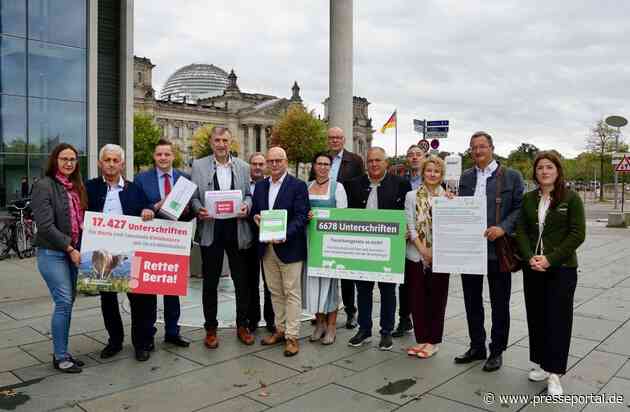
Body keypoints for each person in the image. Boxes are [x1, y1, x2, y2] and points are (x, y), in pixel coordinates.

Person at [516, 151, 585, 396]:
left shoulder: (571, 198)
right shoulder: (528, 199)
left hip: (561, 269)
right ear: (535, 173)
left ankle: (555, 373)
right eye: (540, 168)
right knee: (536, 316)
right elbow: (521, 230)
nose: (544, 171)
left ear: (557, 170)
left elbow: (577, 234)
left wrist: (550, 259)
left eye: (549, 167)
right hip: (533, 268)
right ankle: (542, 364)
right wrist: (529, 257)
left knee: (558, 319)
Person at [455, 131, 524, 372]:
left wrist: (502, 228)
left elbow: (519, 208)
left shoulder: (512, 176)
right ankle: (477, 346)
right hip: (469, 250)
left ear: (491, 148)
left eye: (482, 146)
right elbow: (459, 208)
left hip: (497, 249)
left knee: (499, 302)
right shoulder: (465, 177)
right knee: (472, 301)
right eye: (473, 147)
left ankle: (496, 350)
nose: (477, 151)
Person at [86, 144, 157, 362]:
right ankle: (114, 341)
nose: (111, 164)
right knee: (108, 300)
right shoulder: (90, 188)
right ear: (100, 163)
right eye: (107, 160)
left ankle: (141, 343)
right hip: (101, 252)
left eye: (115, 160)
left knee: (138, 300)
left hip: (129, 252)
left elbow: (148, 207)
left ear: (122, 164)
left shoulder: (133, 188)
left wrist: (149, 210)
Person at [190, 126, 255, 349]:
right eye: (217, 140)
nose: (221, 144)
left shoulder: (244, 167)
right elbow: (194, 196)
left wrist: (247, 205)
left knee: (241, 281)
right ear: (211, 143)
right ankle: (210, 328)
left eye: (225, 140)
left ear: (231, 143)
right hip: (211, 230)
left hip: (237, 230)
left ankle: (242, 325)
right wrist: (199, 209)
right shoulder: (198, 165)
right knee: (210, 282)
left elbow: (248, 194)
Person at [345, 147, 411, 350]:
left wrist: (407, 229)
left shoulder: (400, 184)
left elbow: (408, 212)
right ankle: (364, 330)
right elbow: (345, 214)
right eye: (371, 160)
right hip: (362, 248)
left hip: (388, 249)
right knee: (363, 290)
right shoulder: (354, 185)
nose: (374, 164)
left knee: (388, 290)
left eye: (378, 160)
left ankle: (386, 332)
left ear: (386, 164)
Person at [32, 143, 87, 373]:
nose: (68, 163)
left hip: (73, 252)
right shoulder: (44, 186)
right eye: (64, 158)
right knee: (64, 301)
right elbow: (44, 226)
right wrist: (69, 248)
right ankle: (60, 356)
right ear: (55, 160)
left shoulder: (76, 187)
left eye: (72, 159)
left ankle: (63, 350)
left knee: (68, 303)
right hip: (52, 253)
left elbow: (83, 220)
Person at [251, 147, 309, 356]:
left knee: (292, 293)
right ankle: (280, 329)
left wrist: (286, 233)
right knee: (275, 292)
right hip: (267, 248)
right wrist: (256, 218)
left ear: (285, 161)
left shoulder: (298, 186)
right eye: (271, 161)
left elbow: (302, 217)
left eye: (278, 160)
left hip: (290, 247)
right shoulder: (260, 186)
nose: (274, 164)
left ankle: (292, 336)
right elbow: (256, 213)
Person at [133, 138, 191, 348]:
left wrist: (188, 211)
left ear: (173, 156)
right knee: (148, 291)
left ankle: (172, 332)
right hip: (150, 240)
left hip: (175, 240)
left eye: (167, 154)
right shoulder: (141, 179)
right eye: (159, 154)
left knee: (172, 291)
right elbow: (137, 206)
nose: (163, 158)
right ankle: (148, 335)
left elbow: (192, 208)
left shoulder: (184, 178)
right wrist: (151, 207)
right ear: (154, 157)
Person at [311, 127, 364, 329]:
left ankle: (350, 312)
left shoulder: (355, 160)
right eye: (331, 137)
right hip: (320, 227)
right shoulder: (321, 159)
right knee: (322, 272)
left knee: (345, 273)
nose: (334, 141)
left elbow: (359, 187)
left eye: (338, 138)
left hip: (345, 219)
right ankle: (321, 312)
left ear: (343, 139)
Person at [404, 155, 452, 358]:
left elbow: (450, 228)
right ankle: (421, 339)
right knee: (417, 298)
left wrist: (434, 251)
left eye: (436, 171)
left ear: (441, 175)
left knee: (437, 299)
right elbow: (410, 225)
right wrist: (423, 249)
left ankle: (433, 341)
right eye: (429, 170)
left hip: (441, 255)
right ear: (423, 173)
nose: (432, 174)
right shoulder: (411, 196)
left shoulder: (448, 198)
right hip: (416, 254)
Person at [306, 152, 348, 345]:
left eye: (326, 164)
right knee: (314, 284)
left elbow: (343, 217)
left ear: (330, 167)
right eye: (319, 163)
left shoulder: (337, 188)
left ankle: (331, 326)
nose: (322, 167)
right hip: (311, 241)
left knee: (330, 286)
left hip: (330, 244)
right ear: (314, 166)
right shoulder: (306, 187)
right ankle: (319, 323)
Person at [392, 144, 426, 339]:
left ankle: (423, 318)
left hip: (427, 241)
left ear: (425, 156)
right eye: (411, 154)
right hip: (405, 239)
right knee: (404, 282)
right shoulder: (401, 182)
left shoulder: (433, 178)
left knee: (425, 282)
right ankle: (405, 318)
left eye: (418, 154)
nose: (414, 158)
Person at [245, 152, 276, 333]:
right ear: (250, 165)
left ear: (265, 166)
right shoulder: (243, 185)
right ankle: (253, 318)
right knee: (251, 281)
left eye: (261, 164)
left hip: (267, 239)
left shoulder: (269, 185)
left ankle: (271, 319)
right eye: (254, 164)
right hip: (248, 239)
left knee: (269, 282)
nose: (257, 167)